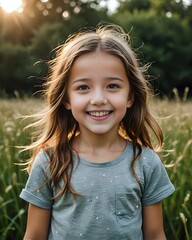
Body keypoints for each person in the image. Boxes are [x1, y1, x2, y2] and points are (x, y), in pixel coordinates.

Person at [20, 24, 175, 240]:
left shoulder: (146, 163)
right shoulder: (50, 162)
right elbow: (34, 235)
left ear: (130, 97)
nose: (99, 98)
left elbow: (155, 234)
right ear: (66, 99)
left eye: (112, 86)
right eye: (83, 87)